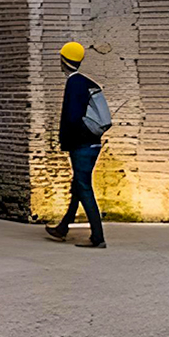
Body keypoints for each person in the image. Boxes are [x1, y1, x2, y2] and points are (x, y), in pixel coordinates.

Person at [45, 42, 106, 248]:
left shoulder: (73, 83)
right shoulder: (87, 82)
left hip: (82, 145)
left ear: (63, 60)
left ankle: (98, 237)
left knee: (84, 187)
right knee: (78, 186)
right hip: (93, 143)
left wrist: (66, 141)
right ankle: (63, 227)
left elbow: (72, 118)